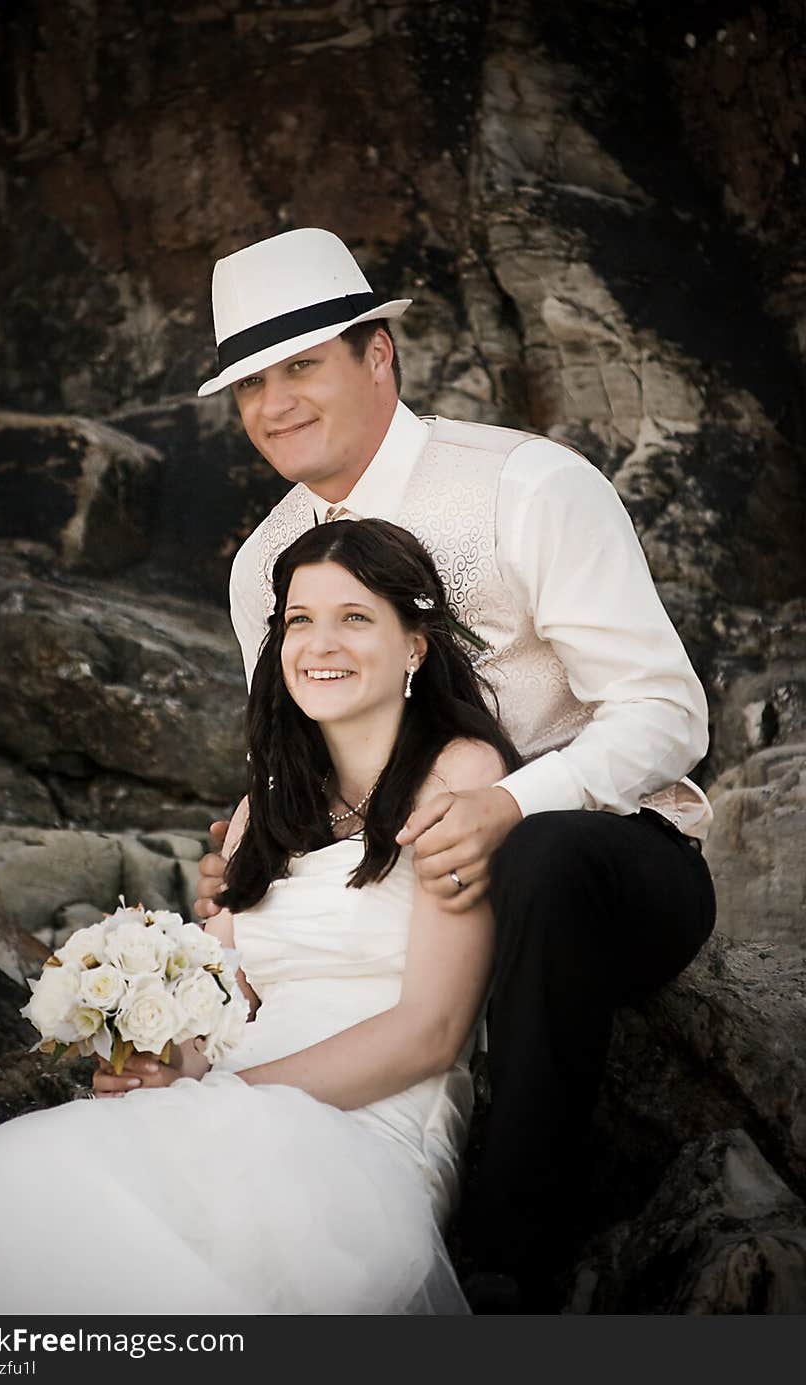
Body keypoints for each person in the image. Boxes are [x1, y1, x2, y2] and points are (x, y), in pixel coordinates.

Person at [193, 227, 718, 1311]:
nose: (274, 403)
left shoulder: (524, 484)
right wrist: (240, 870)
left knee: (541, 855)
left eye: (302, 365)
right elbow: (285, 751)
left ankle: (509, 1256)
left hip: (607, 860)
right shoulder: (261, 565)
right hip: (401, 894)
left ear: (378, 353)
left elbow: (667, 709)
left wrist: (507, 800)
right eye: (251, 381)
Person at [0, 518, 520, 1315]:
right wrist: (169, 1063)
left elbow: (433, 1029)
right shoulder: (263, 808)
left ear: (414, 645)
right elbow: (220, 996)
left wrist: (233, 1092)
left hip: (370, 1119)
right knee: (17, 1195)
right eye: (300, 620)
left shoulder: (460, 773)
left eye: (354, 617)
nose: (320, 643)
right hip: (231, 1100)